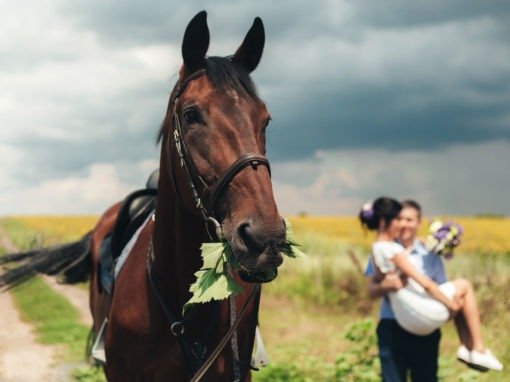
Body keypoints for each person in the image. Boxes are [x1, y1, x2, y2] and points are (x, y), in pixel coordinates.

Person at [363, 198, 502, 382]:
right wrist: (384, 286)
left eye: (409, 220)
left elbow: (438, 286)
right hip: (393, 327)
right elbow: (371, 290)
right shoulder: (389, 250)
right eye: (399, 219)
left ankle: (471, 349)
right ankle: (476, 348)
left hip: (424, 332)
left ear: (419, 222)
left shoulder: (429, 253)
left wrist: (450, 307)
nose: (403, 224)